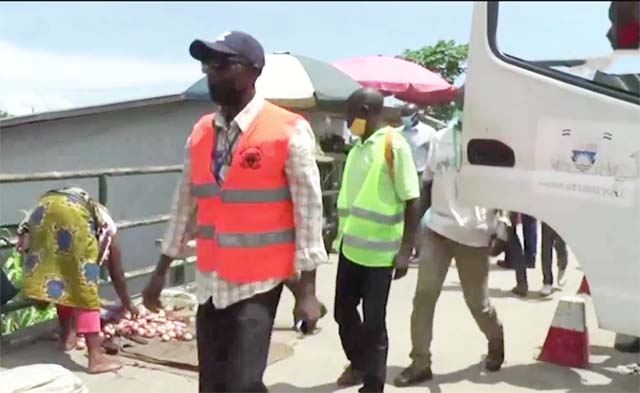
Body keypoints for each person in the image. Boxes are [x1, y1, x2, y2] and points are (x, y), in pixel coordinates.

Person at [142, 31, 326, 392]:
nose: (213, 72)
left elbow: (309, 213)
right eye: (208, 65)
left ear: (253, 71)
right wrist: (161, 270)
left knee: (243, 382)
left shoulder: (288, 130)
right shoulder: (199, 133)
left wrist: (307, 291)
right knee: (211, 384)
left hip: (259, 281)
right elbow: (185, 205)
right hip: (210, 281)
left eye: (223, 64)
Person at [394, 97, 506, 387]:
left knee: (477, 303)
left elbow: (506, 190)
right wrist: (417, 231)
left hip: (475, 234)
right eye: (462, 102)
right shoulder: (440, 138)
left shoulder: (493, 142)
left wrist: (502, 227)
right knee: (423, 298)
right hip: (438, 230)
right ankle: (420, 362)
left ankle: (496, 339)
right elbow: (427, 184)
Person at [333, 88, 421, 393]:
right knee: (342, 313)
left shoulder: (394, 145)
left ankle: (373, 385)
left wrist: (406, 250)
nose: (347, 120)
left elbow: (412, 201)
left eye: (350, 113)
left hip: (381, 254)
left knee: (374, 323)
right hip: (350, 248)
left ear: (366, 110)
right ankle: (359, 363)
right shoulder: (357, 148)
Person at [18, 186, 135, 374]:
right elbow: (116, 271)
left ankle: (67, 338)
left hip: (41, 210)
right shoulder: (106, 225)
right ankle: (96, 359)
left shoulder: (93, 213)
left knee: (60, 275)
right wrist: (128, 303)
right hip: (70, 212)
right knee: (85, 288)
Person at [398, 103, 436, 264]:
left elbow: (433, 156)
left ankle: (420, 250)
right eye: (403, 116)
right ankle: (403, 246)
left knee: (418, 214)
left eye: (408, 115)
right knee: (401, 212)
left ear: (416, 116)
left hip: (420, 175)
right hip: (400, 176)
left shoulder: (429, 133)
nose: (405, 119)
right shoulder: (397, 133)